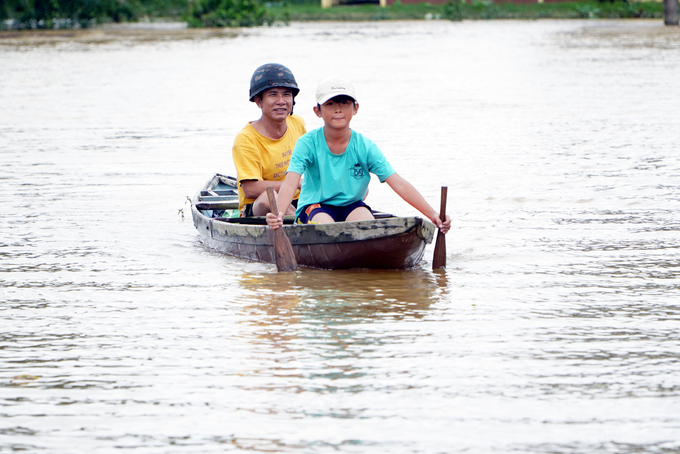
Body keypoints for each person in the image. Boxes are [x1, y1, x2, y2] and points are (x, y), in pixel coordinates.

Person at [266, 77, 451, 235]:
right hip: (316, 206)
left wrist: (433, 215)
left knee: (367, 228)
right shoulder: (307, 143)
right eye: (330, 104)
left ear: (355, 108)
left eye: (344, 103)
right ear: (317, 111)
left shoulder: (365, 146)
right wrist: (280, 215)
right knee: (327, 229)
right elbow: (291, 182)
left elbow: (398, 182)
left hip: (351, 205)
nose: (338, 109)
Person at [232, 63, 306, 217]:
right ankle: (301, 222)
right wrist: (295, 184)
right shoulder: (246, 139)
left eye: (286, 94)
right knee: (269, 198)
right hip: (260, 207)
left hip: (298, 200)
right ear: (259, 101)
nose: (281, 101)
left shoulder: (297, 123)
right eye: (273, 95)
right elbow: (251, 189)